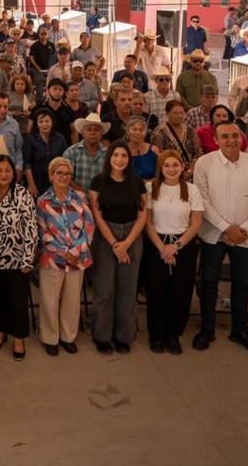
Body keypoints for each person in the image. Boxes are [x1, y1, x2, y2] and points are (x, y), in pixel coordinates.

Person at [192, 121, 248, 354]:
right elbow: (202, 200)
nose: (231, 140)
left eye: (235, 136)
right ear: (216, 140)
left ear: (242, 138)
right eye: (224, 136)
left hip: (245, 236)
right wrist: (226, 228)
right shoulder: (204, 163)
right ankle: (207, 327)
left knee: (243, 283)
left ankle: (240, 329)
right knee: (209, 281)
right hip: (213, 234)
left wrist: (244, 229)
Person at [87, 142, 147, 355]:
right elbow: (97, 216)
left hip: (132, 237)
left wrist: (126, 243)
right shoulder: (98, 182)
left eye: (124, 155)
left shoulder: (137, 183)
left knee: (127, 289)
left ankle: (123, 336)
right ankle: (102, 336)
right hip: (105, 237)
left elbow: (143, 216)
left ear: (129, 159)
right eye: (116, 155)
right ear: (109, 158)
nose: (120, 159)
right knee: (104, 289)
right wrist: (114, 243)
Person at [141, 151, 202, 355]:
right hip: (156, 243)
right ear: (160, 168)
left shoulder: (192, 190)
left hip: (183, 244)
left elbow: (196, 223)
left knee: (180, 291)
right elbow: (148, 222)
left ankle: (173, 335)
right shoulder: (151, 188)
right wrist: (162, 248)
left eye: (175, 165)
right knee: (156, 290)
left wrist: (175, 247)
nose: (171, 169)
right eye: (166, 165)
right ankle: (156, 335)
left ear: (182, 167)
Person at [36, 156, 95, 356]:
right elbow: (42, 232)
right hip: (52, 258)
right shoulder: (43, 201)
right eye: (59, 173)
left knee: (72, 300)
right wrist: (62, 251)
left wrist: (75, 251)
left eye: (67, 173)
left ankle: (68, 337)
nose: (63, 176)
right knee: (49, 301)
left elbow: (89, 226)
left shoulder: (80, 198)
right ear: (51, 176)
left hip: (77, 258)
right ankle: (50, 338)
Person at [0, 154, 36, 361]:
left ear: (14, 173)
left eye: (8, 170)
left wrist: (28, 259)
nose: (4, 174)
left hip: (17, 259)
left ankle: (18, 339)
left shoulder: (21, 193)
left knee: (17, 301)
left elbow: (31, 228)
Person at [22, 108, 67, 196]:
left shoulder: (60, 139)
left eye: (47, 121)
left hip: (56, 181)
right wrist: (31, 184)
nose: (44, 124)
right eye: (41, 121)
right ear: (37, 124)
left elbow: (64, 162)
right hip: (36, 182)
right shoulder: (30, 139)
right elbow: (27, 164)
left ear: (52, 123)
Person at [150, 99, 203, 171]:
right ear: (167, 113)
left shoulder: (190, 130)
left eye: (182, 113)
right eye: (175, 113)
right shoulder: (159, 132)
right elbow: (159, 156)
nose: (179, 116)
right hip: (170, 170)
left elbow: (199, 152)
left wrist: (190, 170)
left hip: (192, 170)